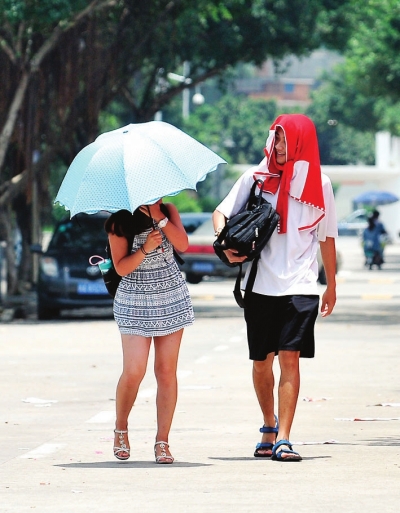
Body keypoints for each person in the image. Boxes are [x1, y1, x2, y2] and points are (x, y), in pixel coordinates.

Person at [212, 114, 337, 462]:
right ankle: (268, 423)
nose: (278, 146)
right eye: (276, 138)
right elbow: (221, 213)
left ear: (300, 142)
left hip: (301, 286)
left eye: (284, 139)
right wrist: (225, 243)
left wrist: (332, 285)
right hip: (260, 285)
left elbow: (326, 238)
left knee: (290, 359)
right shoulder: (255, 178)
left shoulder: (320, 184)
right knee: (261, 362)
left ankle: (284, 438)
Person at [105, 200, 194, 463]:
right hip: (134, 298)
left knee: (166, 371)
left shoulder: (168, 211)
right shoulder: (119, 221)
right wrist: (145, 248)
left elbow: (183, 244)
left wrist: (159, 216)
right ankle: (121, 428)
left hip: (170, 295)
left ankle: (162, 441)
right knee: (134, 370)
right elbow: (120, 267)